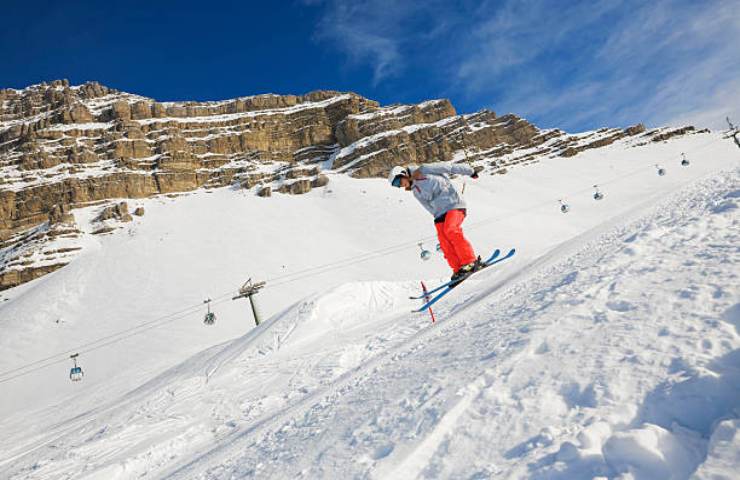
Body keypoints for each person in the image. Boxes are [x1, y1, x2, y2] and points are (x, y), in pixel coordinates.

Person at [389, 162, 484, 282]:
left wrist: (470, 171)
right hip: (439, 213)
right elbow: (428, 206)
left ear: (402, 174)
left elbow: (450, 167)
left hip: (453, 203)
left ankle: (470, 262)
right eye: (396, 186)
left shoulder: (425, 169)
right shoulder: (415, 191)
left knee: (451, 230)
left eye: (398, 182)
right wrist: (437, 216)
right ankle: (458, 268)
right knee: (443, 240)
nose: (400, 186)